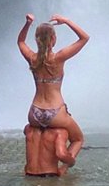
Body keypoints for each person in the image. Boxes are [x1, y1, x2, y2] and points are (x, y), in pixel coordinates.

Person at [18, 13, 88, 163]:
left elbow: (21, 41)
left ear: (36, 40)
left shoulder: (32, 58)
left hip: (34, 113)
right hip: (56, 113)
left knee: (40, 135)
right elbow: (84, 38)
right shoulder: (59, 58)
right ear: (54, 40)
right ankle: (64, 168)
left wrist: (27, 24)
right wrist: (67, 20)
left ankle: (41, 166)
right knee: (78, 139)